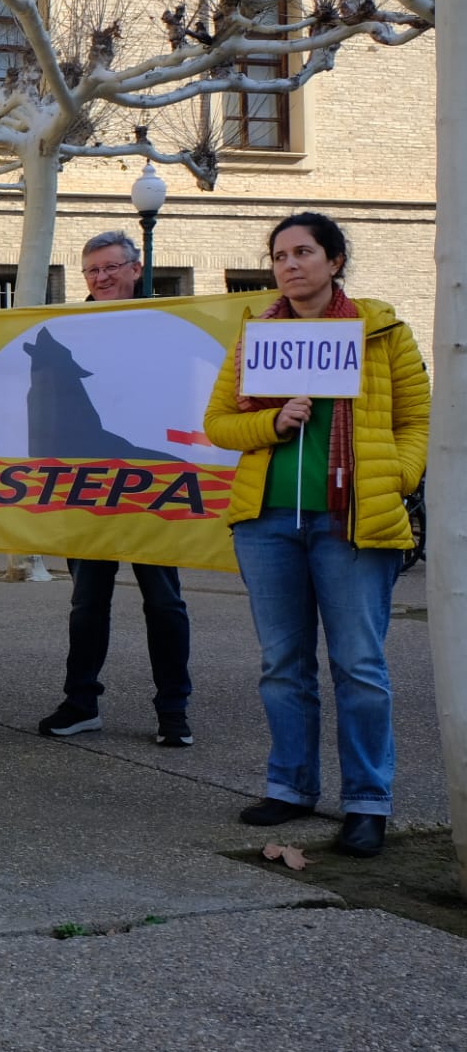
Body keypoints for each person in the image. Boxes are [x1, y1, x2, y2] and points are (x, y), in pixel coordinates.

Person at [0, 231, 195, 747]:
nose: (101, 278)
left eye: (110, 267)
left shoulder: (171, 321)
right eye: (91, 271)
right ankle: (81, 701)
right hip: (84, 483)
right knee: (87, 601)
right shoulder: (66, 329)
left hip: (152, 482)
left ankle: (173, 708)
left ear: (136, 267)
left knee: (164, 602)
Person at [203, 212, 427, 858]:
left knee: (359, 664)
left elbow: (417, 418)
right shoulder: (257, 337)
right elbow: (218, 423)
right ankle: (291, 785)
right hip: (268, 522)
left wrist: (398, 479)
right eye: (279, 255)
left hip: (351, 522)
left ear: (334, 260)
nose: (290, 264)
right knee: (282, 664)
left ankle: (367, 802)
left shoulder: (380, 330)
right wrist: (272, 423)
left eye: (304, 251)